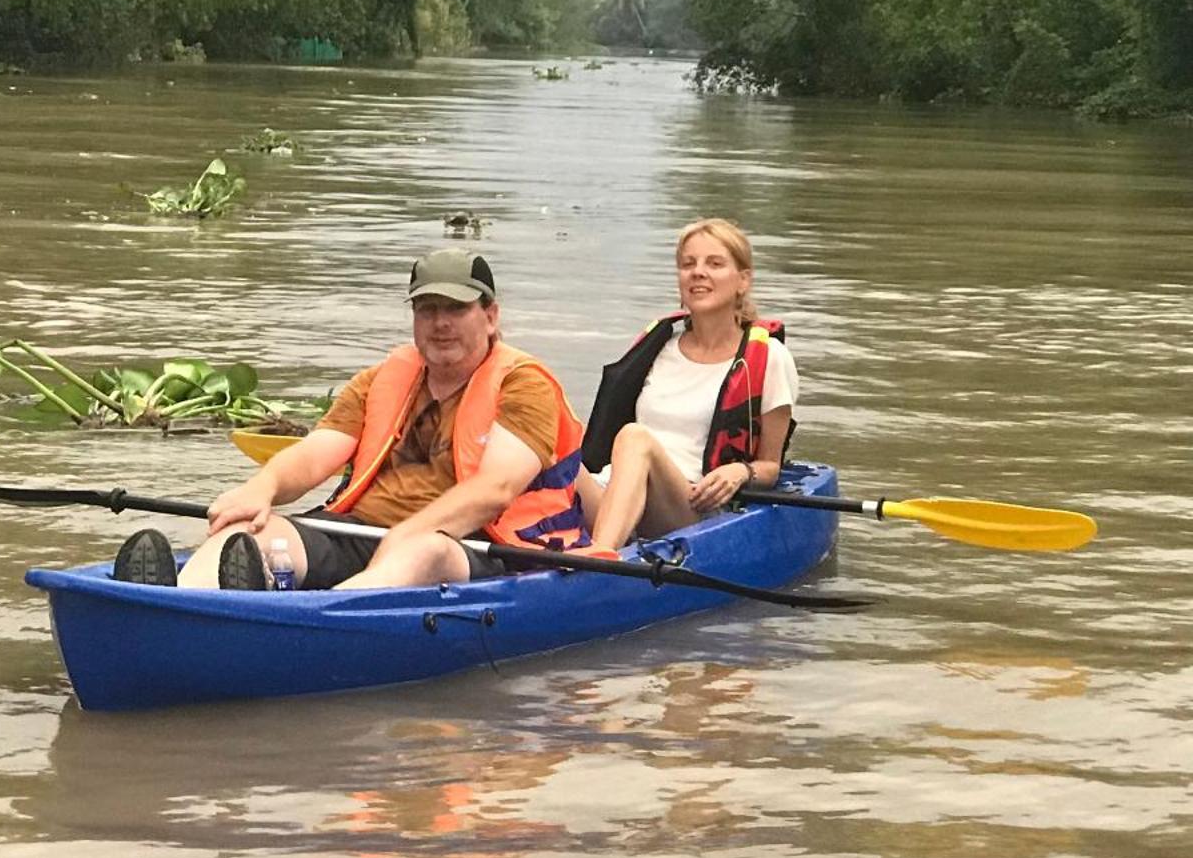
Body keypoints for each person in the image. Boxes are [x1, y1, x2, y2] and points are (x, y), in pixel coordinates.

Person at [112, 249, 587, 591]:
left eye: (456, 309)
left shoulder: (524, 384)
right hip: (358, 529)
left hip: (473, 545)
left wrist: (409, 532)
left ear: (490, 316)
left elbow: (496, 489)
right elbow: (316, 453)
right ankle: (168, 603)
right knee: (248, 532)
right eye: (428, 310)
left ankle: (313, 620)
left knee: (420, 551)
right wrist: (262, 488)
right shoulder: (380, 380)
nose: (441, 323)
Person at [573, 218, 799, 550]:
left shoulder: (770, 359)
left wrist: (740, 471)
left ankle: (601, 555)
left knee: (636, 439)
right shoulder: (658, 347)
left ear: (743, 280)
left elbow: (770, 465)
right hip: (611, 491)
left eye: (715, 263)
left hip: (692, 508)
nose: (697, 272)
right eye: (688, 264)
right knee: (545, 436)